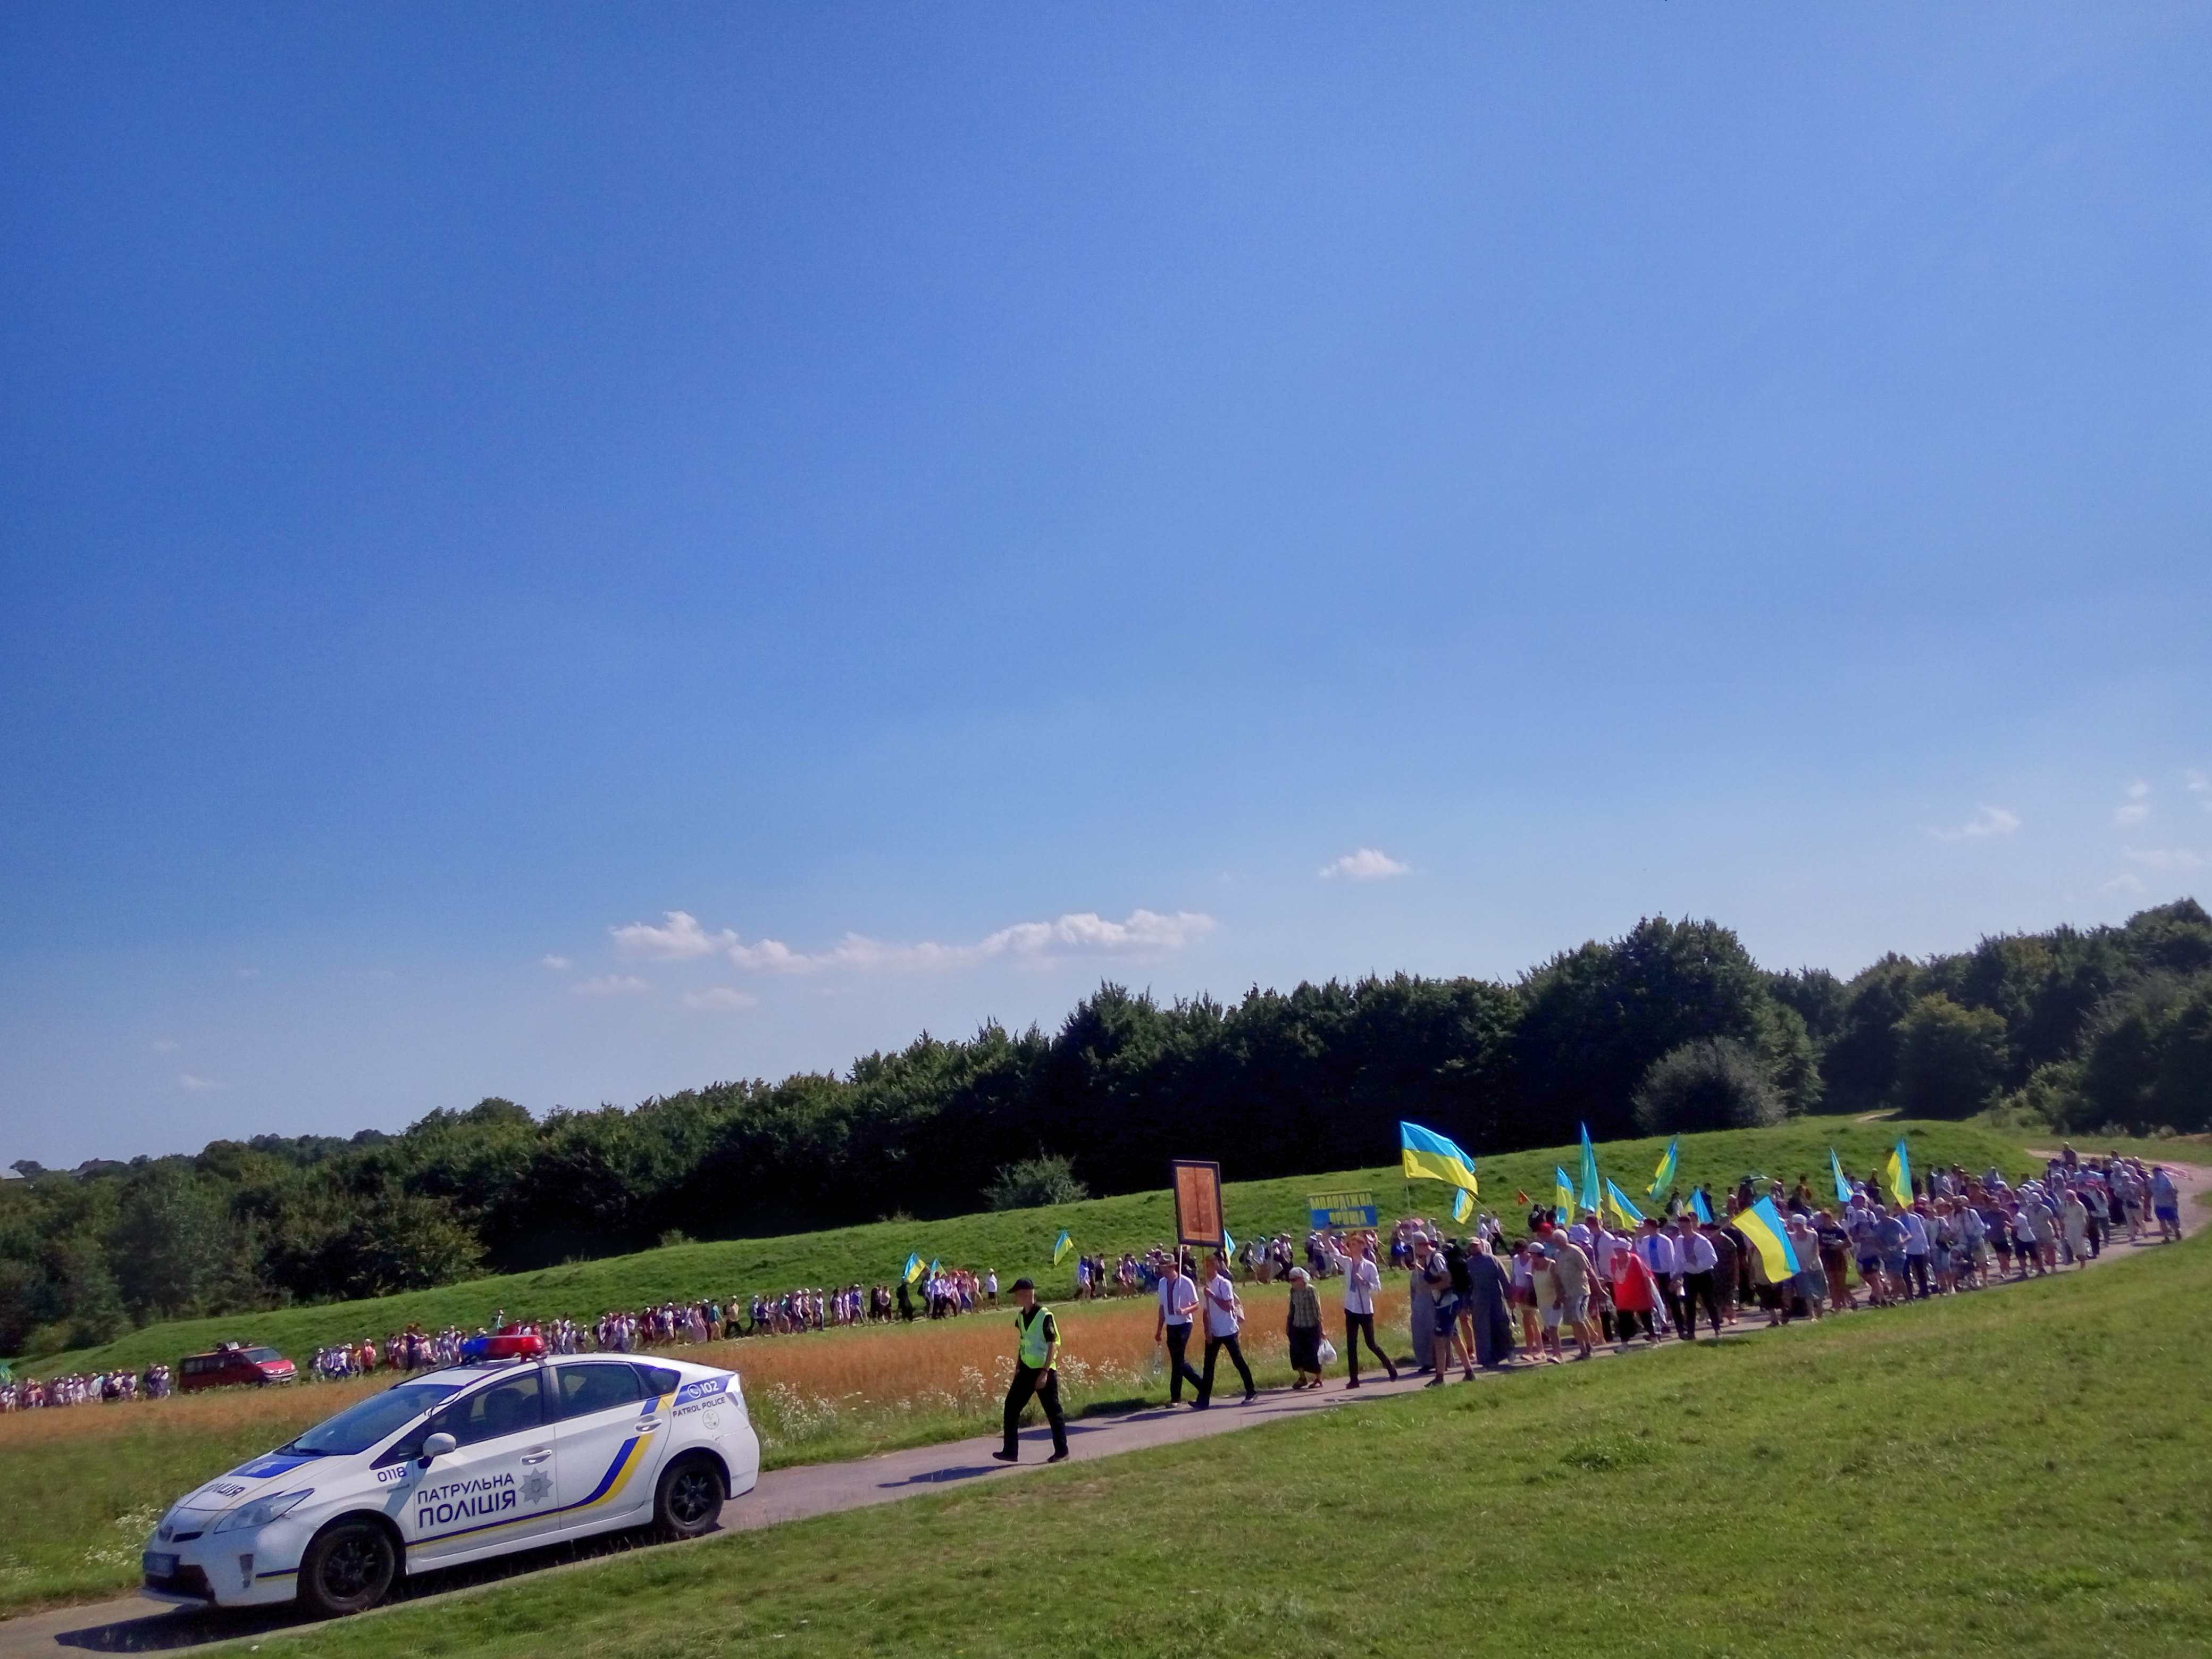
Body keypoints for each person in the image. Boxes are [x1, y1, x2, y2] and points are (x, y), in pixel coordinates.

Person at [993, 1278, 1068, 1464]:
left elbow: (1052, 1345)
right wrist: (1018, 1367)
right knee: (1011, 1407)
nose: (1016, 1298)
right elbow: (1024, 1343)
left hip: (1044, 1371)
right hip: (1026, 1369)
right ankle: (1010, 1451)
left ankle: (1062, 1451)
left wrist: (1044, 1373)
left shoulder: (1045, 1315)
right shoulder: (1020, 1317)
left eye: (1018, 1294)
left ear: (1027, 1294)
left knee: (1053, 1411)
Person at [1196, 1251, 1256, 1407]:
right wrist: (1207, 1330)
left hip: (1228, 1329)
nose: (1206, 1269)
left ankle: (1251, 1391)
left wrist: (1212, 1296)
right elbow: (1205, 1311)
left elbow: (1228, 1306)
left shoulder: (1224, 1284)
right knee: (1208, 1365)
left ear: (1215, 1266)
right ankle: (1203, 1400)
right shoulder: (1206, 1286)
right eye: (1204, 1266)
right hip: (1214, 1330)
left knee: (1238, 1361)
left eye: (1208, 1266)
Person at [1340, 1233, 1396, 1388]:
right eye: (1351, 1245)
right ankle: (1354, 1379)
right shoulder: (1348, 1263)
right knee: (1351, 1345)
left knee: (1371, 1343)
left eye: (1356, 1245)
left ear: (1362, 1247)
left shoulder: (1370, 1266)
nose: (1353, 1248)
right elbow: (1332, 1252)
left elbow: (1377, 1288)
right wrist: (1326, 1235)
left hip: (1365, 1310)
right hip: (1351, 1308)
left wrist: (1364, 1282)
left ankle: (1389, 1366)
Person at [1153, 1254, 1205, 1405]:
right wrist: (1159, 1329)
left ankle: (1176, 1398)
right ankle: (1203, 1386)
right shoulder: (1162, 1283)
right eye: (1161, 1267)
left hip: (1184, 1324)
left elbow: (1196, 1304)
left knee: (1178, 1360)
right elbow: (1162, 1307)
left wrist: (1185, 1310)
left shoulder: (1185, 1282)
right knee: (1178, 1361)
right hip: (1171, 1325)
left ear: (1173, 1267)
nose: (1163, 1270)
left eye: (1165, 1267)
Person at [1464, 1236, 1516, 1367]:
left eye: (1476, 1245)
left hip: (1496, 1299)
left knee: (1501, 1325)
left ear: (1481, 1246)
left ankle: (1505, 1352)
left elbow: (1504, 1279)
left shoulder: (1492, 1260)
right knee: (1482, 1329)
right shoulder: (1468, 1263)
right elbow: (1467, 1286)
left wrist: (1510, 1297)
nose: (1474, 1248)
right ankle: (1485, 1358)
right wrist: (1467, 1303)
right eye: (1471, 1246)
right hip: (1479, 1300)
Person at [1286, 1268, 1325, 1388]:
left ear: (1302, 1279)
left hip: (1312, 1326)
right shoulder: (1293, 1291)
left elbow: (1317, 1310)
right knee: (1296, 1352)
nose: (1292, 1283)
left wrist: (1321, 1328)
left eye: (1294, 1280)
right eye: (1291, 1280)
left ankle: (1318, 1379)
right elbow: (1292, 1309)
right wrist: (1288, 1325)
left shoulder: (1311, 1290)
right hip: (1297, 1325)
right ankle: (1302, 1378)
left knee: (1313, 1353)